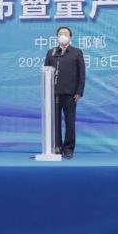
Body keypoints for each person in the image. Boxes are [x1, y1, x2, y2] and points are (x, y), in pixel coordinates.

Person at [43, 26, 85, 159]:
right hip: (53, 94)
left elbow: (81, 74)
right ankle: (57, 147)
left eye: (65, 33)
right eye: (60, 33)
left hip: (70, 94)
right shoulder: (51, 52)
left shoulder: (76, 52)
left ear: (70, 37)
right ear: (57, 37)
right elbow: (46, 72)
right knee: (54, 122)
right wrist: (46, 92)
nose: (62, 35)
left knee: (69, 122)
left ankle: (68, 149)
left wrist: (79, 91)